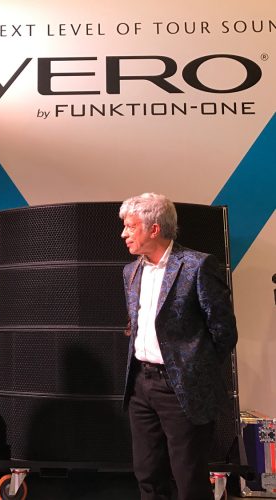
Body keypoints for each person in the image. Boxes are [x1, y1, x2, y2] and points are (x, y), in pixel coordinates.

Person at [119, 193, 238, 500]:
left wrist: (193, 370)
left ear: (154, 229)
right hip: (141, 384)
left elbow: (224, 331)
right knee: (147, 473)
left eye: (130, 226)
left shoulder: (197, 266)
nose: (124, 234)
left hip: (181, 388)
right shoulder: (130, 272)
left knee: (188, 477)